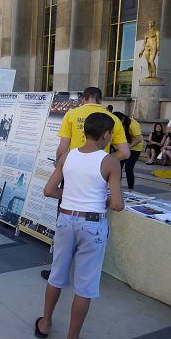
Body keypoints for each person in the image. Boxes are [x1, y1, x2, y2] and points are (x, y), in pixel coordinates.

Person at [36, 112, 124, 339]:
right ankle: (72, 336)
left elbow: (48, 190)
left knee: (56, 275)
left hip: (65, 219)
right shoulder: (110, 162)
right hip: (92, 225)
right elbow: (117, 204)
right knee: (85, 286)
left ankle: (45, 323)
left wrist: (71, 194)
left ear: (84, 133)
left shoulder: (67, 156)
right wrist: (99, 200)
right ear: (106, 135)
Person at [40, 86, 129, 280]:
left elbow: (62, 149)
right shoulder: (111, 118)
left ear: (84, 98)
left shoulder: (72, 114)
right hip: (101, 175)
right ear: (100, 99)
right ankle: (88, 268)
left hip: (71, 173)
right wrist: (105, 160)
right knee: (95, 220)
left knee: (65, 221)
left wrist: (61, 167)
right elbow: (125, 153)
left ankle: (58, 271)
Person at [113, 112, 143, 191]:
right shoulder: (118, 124)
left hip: (135, 148)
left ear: (122, 119)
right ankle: (117, 187)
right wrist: (117, 147)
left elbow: (139, 139)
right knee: (118, 166)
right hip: (125, 146)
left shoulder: (133, 124)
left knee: (128, 167)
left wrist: (128, 147)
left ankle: (131, 189)